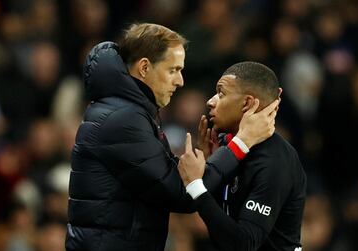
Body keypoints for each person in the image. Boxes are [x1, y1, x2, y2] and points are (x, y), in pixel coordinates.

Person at [65, 23, 279, 251]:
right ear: (145, 68)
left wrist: (205, 162)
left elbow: (166, 179)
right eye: (173, 70)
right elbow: (182, 193)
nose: (180, 81)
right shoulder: (123, 119)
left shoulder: (127, 111)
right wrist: (241, 143)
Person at [178, 62, 307, 251]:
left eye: (221, 94)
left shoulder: (274, 160)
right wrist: (211, 171)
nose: (211, 101)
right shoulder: (226, 149)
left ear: (246, 103)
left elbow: (244, 243)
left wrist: (196, 186)